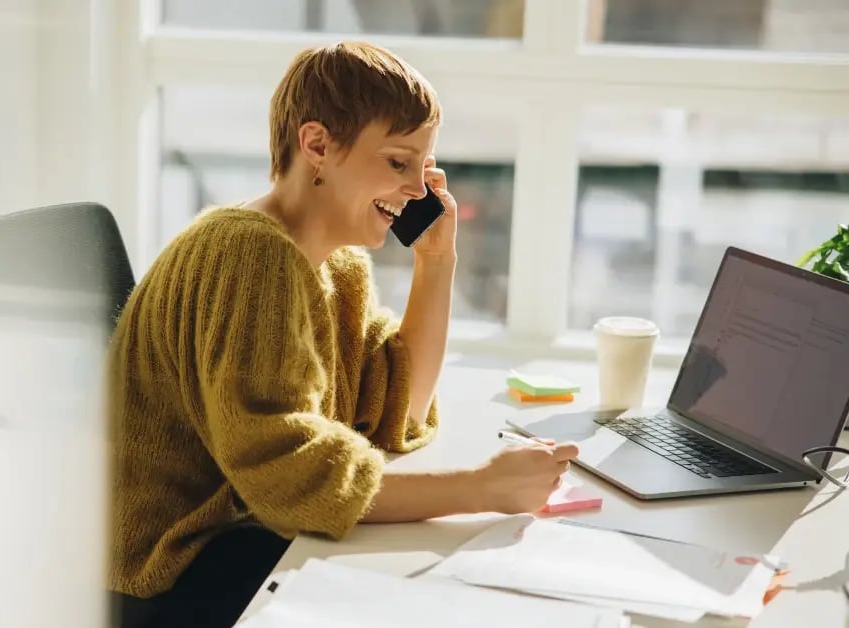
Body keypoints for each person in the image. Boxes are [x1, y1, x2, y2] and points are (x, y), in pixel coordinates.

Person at [107, 41, 579, 628]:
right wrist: (480, 488)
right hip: (175, 573)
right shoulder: (249, 255)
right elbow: (290, 475)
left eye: (423, 166)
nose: (417, 189)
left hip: (247, 536)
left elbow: (398, 410)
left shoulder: (334, 264)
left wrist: (437, 260)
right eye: (398, 162)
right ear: (317, 146)